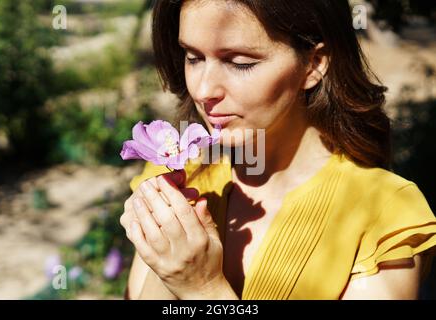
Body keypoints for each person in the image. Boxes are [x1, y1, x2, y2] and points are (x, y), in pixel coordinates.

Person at [119, 0, 436, 299]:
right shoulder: (176, 175)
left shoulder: (383, 212)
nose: (203, 91)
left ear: (313, 64)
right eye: (193, 58)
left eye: (239, 63)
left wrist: (203, 289)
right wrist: (168, 268)